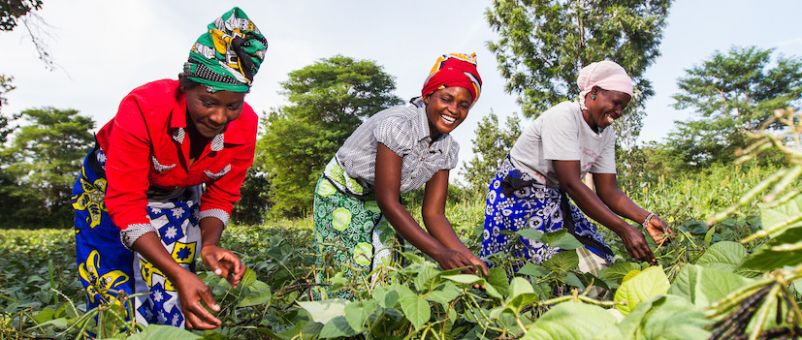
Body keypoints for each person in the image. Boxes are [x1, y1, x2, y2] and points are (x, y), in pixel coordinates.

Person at [71, 7, 267, 330]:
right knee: (113, 294)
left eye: (232, 105)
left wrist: (209, 245)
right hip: (110, 187)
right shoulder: (143, 108)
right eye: (208, 101)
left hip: (176, 192)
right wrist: (178, 272)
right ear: (185, 86)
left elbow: (221, 195)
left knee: (175, 304)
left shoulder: (244, 127)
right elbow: (126, 203)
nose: (220, 117)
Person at [313, 53, 488, 296]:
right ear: (428, 96)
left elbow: (434, 213)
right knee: (350, 269)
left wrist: (465, 257)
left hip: (378, 198)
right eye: (446, 99)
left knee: (387, 265)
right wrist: (439, 253)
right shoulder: (399, 124)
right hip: (341, 191)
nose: (453, 110)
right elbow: (389, 201)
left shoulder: (447, 148)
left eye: (463, 105)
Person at [480, 60, 672, 274]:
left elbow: (609, 191)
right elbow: (571, 183)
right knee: (529, 267)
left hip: (551, 197)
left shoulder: (606, 133)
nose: (618, 112)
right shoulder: (564, 116)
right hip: (516, 196)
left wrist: (646, 219)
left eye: (623, 107)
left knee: (598, 260)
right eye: (616, 102)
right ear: (594, 92)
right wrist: (623, 229)